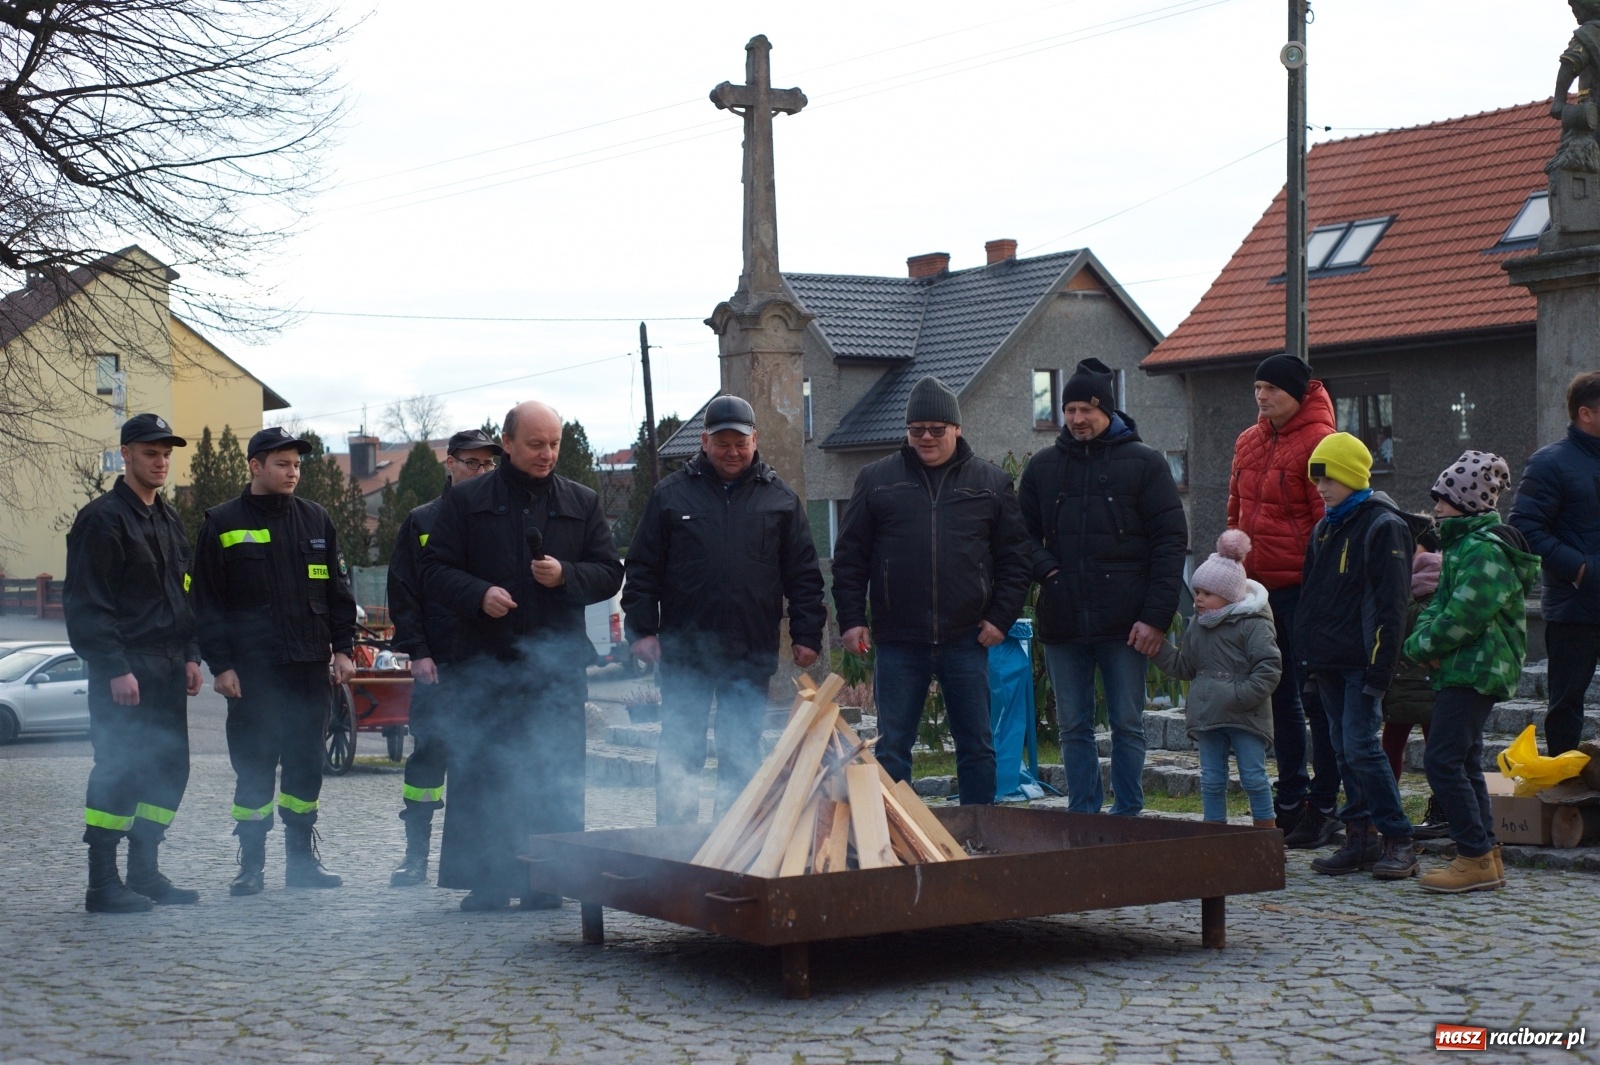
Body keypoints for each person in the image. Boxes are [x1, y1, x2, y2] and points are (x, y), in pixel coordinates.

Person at [421, 400, 622, 911]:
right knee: (484, 772)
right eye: (536, 444)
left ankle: (547, 881)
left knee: (552, 773)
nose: (547, 453)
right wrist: (478, 595)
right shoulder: (466, 502)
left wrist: (566, 577)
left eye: (554, 444)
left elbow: (609, 571)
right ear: (507, 443)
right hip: (484, 664)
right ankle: (487, 880)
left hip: (554, 670)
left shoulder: (582, 501)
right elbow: (434, 571)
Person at [623, 395, 827, 825]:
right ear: (704, 441)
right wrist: (641, 629)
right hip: (685, 652)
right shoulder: (670, 496)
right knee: (681, 748)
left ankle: (733, 843)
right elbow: (643, 569)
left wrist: (807, 633)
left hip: (749, 650)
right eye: (722, 443)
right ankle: (675, 847)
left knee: (740, 751)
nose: (732, 452)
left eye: (740, 443)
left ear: (755, 440)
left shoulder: (780, 500)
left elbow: (804, 575)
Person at [832, 375, 1031, 806]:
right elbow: (850, 557)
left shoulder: (991, 483)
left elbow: (1017, 559)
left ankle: (980, 834)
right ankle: (893, 837)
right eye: (916, 429)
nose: (926, 437)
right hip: (899, 638)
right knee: (891, 748)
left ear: (957, 429)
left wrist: (1000, 618)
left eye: (936, 430)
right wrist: (850, 619)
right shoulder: (876, 480)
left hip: (966, 637)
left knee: (977, 747)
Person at [191, 426, 357, 896]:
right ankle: (252, 866)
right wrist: (220, 665)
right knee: (255, 769)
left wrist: (342, 648)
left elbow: (338, 592)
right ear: (255, 466)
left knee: (306, 768)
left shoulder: (316, 520)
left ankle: (302, 864)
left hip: (307, 668)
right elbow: (206, 602)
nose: (292, 472)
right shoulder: (221, 523)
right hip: (253, 674)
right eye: (282, 464)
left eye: (297, 465)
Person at [1017, 358, 1187, 816]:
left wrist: (1155, 618)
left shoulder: (1146, 463)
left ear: (1107, 411)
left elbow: (1170, 544)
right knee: (1072, 725)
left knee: (1128, 724)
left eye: (1086, 409)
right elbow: (1019, 536)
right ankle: (1083, 815)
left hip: (1128, 621)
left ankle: (1128, 814)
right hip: (1063, 616)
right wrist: (1049, 572)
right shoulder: (1043, 467)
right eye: (1069, 409)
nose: (1076, 419)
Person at [64, 413, 205, 913]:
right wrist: (113, 666)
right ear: (126, 455)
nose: (161, 461)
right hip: (126, 669)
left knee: (169, 769)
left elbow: (184, 593)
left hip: (168, 666)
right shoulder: (102, 519)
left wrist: (190, 654)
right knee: (119, 769)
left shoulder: (167, 519)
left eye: (166, 453)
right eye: (151, 453)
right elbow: (87, 603)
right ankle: (103, 883)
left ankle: (144, 872)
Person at [1408, 452, 1540, 894]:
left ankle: (1473, 855)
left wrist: (1419, 646)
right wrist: (1422, 639)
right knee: (1462, 760)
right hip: (1463, 666)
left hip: (1475, 669)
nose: (1437, 509)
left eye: (1444, 500)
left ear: (1466, 503)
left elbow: (1464, 615)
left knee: (1442, 760)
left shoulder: (1485, 550)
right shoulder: (1463, 546)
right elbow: (1438, 609)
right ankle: (1486, 853)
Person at [1226, 353, 1343, 845]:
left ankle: (1325, 802)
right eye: (1257, 388)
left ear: (1297, 392)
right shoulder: (1248, 441)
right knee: (1278, 695)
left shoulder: (1321, 441)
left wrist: (1325, 587)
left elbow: (1329, 520)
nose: (1261, 396)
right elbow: (1235, 510)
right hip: (1259, 590)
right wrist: (1231, 570)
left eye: (1271, 388)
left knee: (1316, 697)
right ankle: (1291, 795)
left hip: (1305, 587)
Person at [1296, 432, 1423, 880]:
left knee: (1362, 747)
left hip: (1362, 662)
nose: (1321, 487)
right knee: (1342, 749)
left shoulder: (1382, 525)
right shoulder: (1325, 526)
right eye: (1317, 480)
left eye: (1328, 478)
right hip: (1328, 660)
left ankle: (1398, 837)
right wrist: (1308, 662)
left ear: (1352, 474)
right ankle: (1360, 837)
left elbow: (1391, 606)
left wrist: (1380, 669)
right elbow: (1312, 599)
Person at [386, 428, 504, 887]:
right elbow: (404, 590)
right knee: (429, 757)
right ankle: (416, 856)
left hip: (491, 662)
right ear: (449, 464)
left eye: (486, 464)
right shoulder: (421, 521)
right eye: (470, 462)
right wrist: (417, 650)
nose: (479, 471)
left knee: (488, 761)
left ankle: (484, 859)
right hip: (440, 661)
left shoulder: (500, 514)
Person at [1147, 531, 1280, 828]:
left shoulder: (1253, 624)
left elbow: (1269, 668)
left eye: (1207, 593)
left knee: (1254, 777)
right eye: (1197, 592)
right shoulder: (1199, 626)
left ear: (1229, 594)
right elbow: (1185, 666)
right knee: (1211, 779)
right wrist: (1157, 650)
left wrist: (1236, 697)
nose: (1198, 599)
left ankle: (1266, 837)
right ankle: (1214, 836)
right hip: (1208, 715)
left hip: (1245, 716)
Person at [1508, 370, 1600, 756]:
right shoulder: (1550, 462)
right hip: (1575, 608)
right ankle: (1563, 800)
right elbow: (1524, 527)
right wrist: (1581, 569)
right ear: (1586, 413)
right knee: (1566, 707)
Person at [1383, 522, 1449, 840]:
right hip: (1403, 680)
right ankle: (1384, 807)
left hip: (1425, 678)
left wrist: (1398, 593)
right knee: (1391, 746)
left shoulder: (1432, 575)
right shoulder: (1407, 578)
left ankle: (1442, 811)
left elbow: (1415, 622)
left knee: (1436, 750)